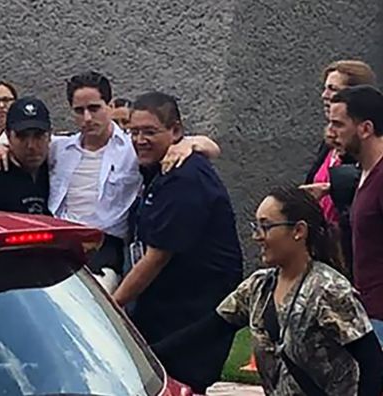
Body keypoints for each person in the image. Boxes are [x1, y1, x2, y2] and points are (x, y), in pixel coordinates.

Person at [0, 72, 222, 292]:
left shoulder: (133, 148)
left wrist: (186, 145)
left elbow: (209, 147)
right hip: (59, 242)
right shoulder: (59, 148)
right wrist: (0, 147)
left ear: (110, 106)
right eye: (79, 111)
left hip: (105, 247)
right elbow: (28, 143)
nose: (87, 118)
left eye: (94, 108)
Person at [152, 186, 383, 395]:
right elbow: (207, 331)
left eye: (266, 226)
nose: (257, 236)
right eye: (256, 227)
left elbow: (372, 362)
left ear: (298, 231)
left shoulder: (328, 289)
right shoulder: (258, 287)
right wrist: (144, 357)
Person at [112, 92, 242, 393]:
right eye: (134, 131)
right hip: (165, 307)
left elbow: (157, 256)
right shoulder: (158, 169)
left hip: (191, 314)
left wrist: (111, 307)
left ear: (176, 131)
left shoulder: (185, 177)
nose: (140, 139)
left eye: (150, 131)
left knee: (172, 385)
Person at [300, 60, 376, 275]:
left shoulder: (364, 146)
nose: (325, 95)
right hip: (322, 247)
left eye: (333, 89)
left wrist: (328, 187)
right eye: (324, 88)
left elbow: (365, 181)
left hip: (349, 251)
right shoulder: (328, 145)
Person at [327, 85, 383, 345]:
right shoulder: (363, 174)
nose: (331, 132)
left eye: (338, 124)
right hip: (368, 310)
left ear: (365, 129)